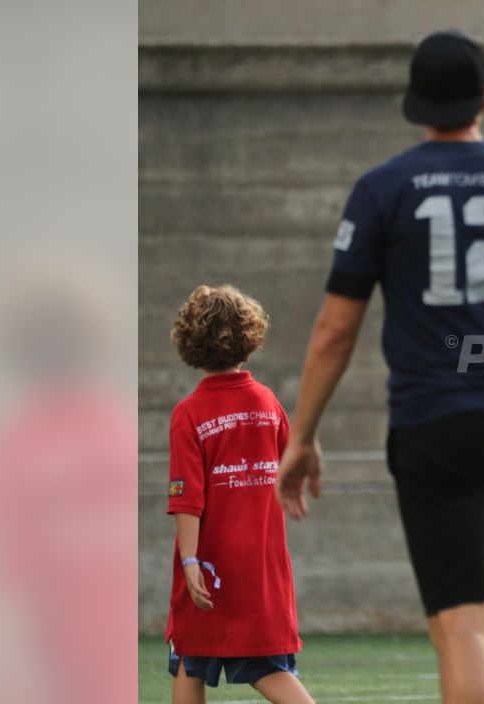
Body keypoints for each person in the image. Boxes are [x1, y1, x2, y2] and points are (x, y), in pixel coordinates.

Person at [274, 29, 484, 704]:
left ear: (414, 104)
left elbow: (336, 328)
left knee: (460, 619)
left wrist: (302, 435)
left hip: (434, 422)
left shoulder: (382, 188)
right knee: (478, 604)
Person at [165, 284, 315, 704]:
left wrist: (190, 560)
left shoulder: (188, 415)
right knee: (227, 659)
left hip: (209, 563)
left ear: (190, 341)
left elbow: (185, 498)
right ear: (249, 336)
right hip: (264, 563)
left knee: (190, 654)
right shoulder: (268, 403)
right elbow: (288, 472)